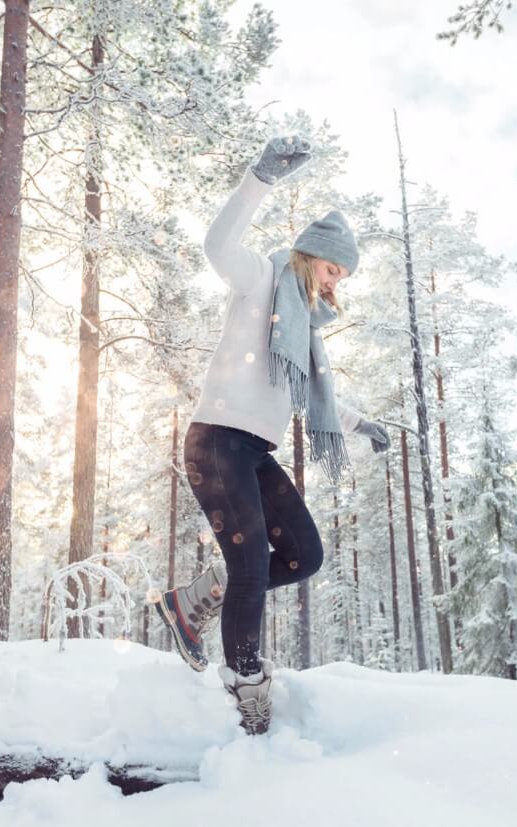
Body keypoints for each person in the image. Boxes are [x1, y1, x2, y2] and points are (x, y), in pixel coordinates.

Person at [153, 135, 390, 736]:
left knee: (302, 555)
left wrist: (362, 424)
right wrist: (259, 179)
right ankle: (245, 688)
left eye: (344, 277)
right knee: (252, 569)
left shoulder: (302, 330)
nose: (338, 284)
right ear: (311, 256)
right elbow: (217, 244)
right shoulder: (261, 279)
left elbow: (317, 395)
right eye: (335, 268)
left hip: (252, 450)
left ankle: (195, 600)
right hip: (215, 441)